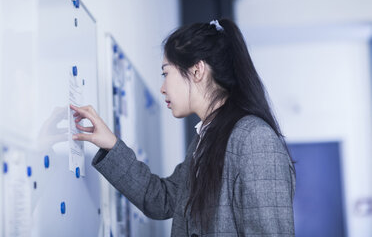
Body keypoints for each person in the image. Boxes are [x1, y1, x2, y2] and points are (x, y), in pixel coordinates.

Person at [70, 19, 296, 237]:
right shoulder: (205, 139)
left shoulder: (254, 139)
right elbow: (162, 200)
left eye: (165, 73)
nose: (162, 88)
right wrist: (111, 145)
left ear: (197, 70)